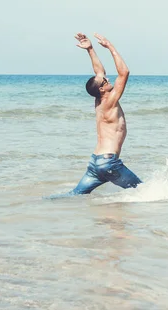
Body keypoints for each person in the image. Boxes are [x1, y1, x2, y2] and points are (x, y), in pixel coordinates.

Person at [48, 33, 142, 198]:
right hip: (108, 162)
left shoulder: (99, 101)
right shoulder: (110, 101)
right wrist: (110, 46)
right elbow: (124, 73)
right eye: (105, 81)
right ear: (101, 89)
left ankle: (39, 204)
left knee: (73, 195)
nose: (107, 79)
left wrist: (90, 49)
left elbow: (99, 72)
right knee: (143, 192)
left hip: (95, 162)